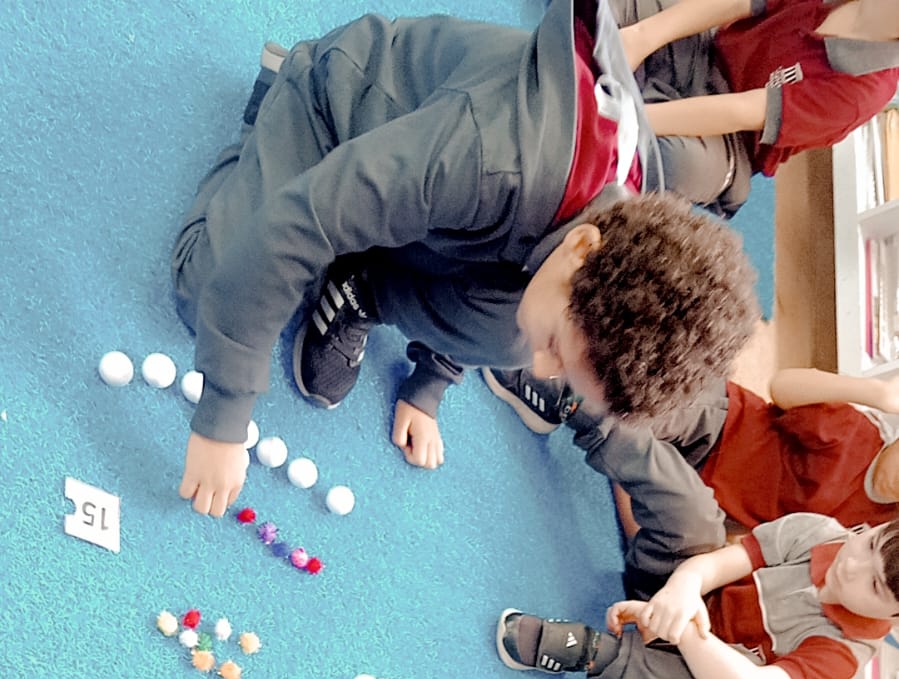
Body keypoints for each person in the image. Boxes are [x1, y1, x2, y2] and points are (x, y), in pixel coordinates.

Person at [171, 0, 759, 513]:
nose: (544, 370)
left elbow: (511, 288)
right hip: (341, 111)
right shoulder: (492, 157)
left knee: (518, 331)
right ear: (580, 248)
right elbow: (305, 220)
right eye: (560, 349)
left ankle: (359, 286)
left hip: (433, 210)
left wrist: (432, 380)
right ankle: (272, 107)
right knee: (209, 295)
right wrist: (224, 419)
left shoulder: (612, 235)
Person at [482, 362, 899, 594]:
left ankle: (619, 451)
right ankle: (579, 408)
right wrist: (878, 393)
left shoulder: (879, 535)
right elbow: (784, 387)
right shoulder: (858, 435)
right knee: (648, 391)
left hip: (699, 502)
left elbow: (761, 550)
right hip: (719, 424)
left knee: (691, 540)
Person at [496, 513, 899, 679]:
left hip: (695, 669)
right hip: (677, 598)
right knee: (694, 520)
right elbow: (719, 564)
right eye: (868, 544)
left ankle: (593, 652)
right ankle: (599, 419)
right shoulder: (820, 533)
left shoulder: (844, 653)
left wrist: (684, 631)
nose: (851, 566)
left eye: (874, 585)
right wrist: (683, 589)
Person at [616, 0, 899, 215]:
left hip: (733, 142)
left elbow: (739, 112)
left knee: (676, 164)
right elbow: (736, 3)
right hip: (708, 50)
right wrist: (641, 37)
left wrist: (630, 118)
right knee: (621, 10)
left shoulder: (864, 94)